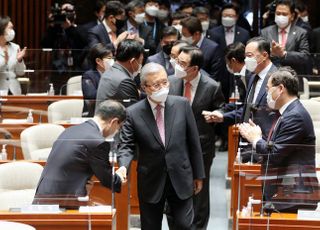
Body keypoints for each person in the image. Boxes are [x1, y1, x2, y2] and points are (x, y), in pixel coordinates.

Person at [117, 62, 205, 229]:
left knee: (184, 225)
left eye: (165, 82)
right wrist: (123, 167)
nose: (163, 87)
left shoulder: (182, 105)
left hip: (181, 176)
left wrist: (198, 174)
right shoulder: (133, 113)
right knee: (150, 226)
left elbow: (194, 142)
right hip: (151, 179)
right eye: (156, 84)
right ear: (144, 87)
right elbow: (126, 145)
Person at [239, 67, 318, 212]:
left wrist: (256, 139)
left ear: (280, 88)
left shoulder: (295, 116)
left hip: (292, 194)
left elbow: (274, 153)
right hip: (284, 191)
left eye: (268, 89)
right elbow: (279, 146)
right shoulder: (288, 113)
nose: (267, 93)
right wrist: (258, 136)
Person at [169, 46, 225, 229]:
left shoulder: (211, 86)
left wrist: (217, 113)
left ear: (194, 68)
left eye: (182, 63)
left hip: (201, 148)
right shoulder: (170, 82)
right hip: (174, 148)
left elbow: (222, 108)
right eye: (177, 61)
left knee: (199, 194)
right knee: (174, 190)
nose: (177, 66)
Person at [34, 100, 127, 200]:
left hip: (43, 195)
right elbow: (108, 180)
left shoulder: (70, 130)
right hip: (62, 202)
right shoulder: (97, 142)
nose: (117, 131)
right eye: (119, 127)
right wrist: (119, 177)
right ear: (114, 122)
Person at [205, 37, 277, 155]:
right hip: (250, 141)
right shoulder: (253, 76)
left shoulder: (277, 77)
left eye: (249, 56)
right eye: (245, 56)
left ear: (264, 55)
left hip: (267, 143)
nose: (246, 59)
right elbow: (247, 107)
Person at [260, 0, 311, 80]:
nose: (280, 16)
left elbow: (305, 56)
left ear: (292, 16)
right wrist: (272, 54)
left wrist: (284, 54)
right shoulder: (265, 32)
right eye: (278, 13)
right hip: (270, 78)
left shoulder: (301, 33)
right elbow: (260, 55)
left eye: (284, 14)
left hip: (293, 78)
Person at [180, 16, 228, 100]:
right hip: (183, 88)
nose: (182, 37)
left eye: (185, 35)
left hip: (203, 93)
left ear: (196, 34)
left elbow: (215, 76)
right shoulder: (182, 47)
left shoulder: (213, 48)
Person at [95, 39, 144, 108]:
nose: (140, 64)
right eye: (140, 61)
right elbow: (134, 113)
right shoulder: (124, 81)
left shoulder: (110, 71)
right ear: (132, 61)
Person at [82, 43, 114, 117]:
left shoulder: (114, 74)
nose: (112, 61)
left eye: (113, 58)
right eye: (109, 58)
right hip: (95, 113)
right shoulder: (89, 75)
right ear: (98, 61)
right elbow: (90, 95)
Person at [0, 16, 26, 95]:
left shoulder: (16, 47)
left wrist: (19, 60)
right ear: (2, 29)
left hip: (15, 91)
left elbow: (21, 73)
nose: (12, 31)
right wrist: (5, 61)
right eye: (10, 28)